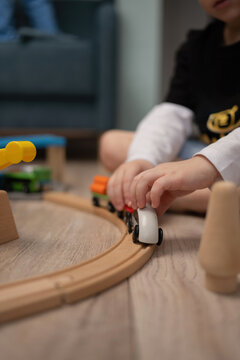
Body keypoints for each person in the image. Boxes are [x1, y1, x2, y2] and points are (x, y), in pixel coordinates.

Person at [99, 0, 240, 216]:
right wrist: (143, 158)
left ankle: (177, 195)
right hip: (204, 151)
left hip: (219, 158)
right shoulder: (196, 47)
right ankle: (184, 192)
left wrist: (208, 165)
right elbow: (173, 113)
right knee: (112, 144)